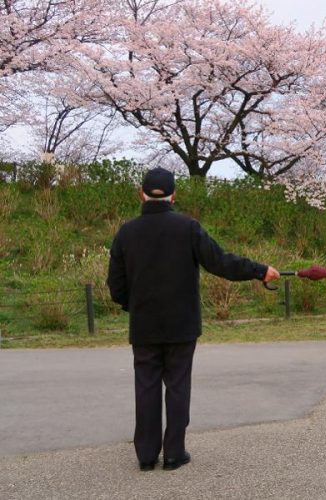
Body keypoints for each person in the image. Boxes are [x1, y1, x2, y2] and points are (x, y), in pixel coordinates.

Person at [107, 167, 280, 471]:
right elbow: (220, 262)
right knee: (177, 385)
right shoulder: (188, 227)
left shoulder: (126, 232)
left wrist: (133, 305)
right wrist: (258, 269)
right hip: (182, 324)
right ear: (174, 195)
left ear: (141, 194)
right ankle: (174, 453)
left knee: (145, 387)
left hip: (144, 325)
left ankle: (147, 456)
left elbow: (116, 286)